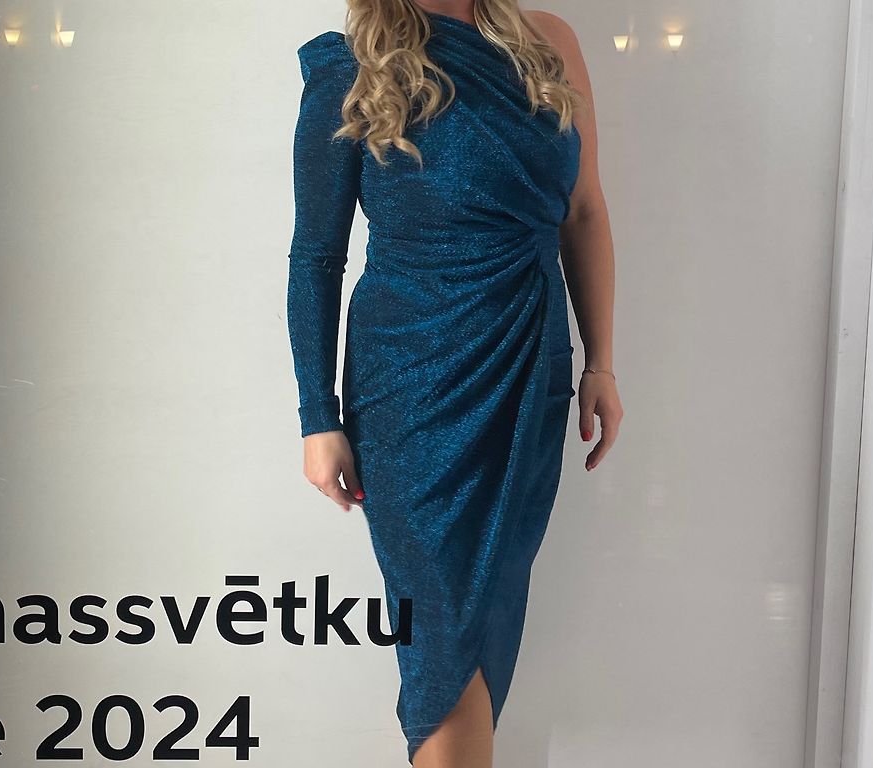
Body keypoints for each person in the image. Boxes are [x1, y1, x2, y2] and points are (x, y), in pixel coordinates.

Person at [285, 1, 621, 764]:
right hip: (406, 391)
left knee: (486, 621)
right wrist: (316, 415)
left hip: (528, 367)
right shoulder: (349, 64)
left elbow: (583, 213)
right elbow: (316, 256)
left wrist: (600, 362)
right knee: (440, 642)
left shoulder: (549, 40)